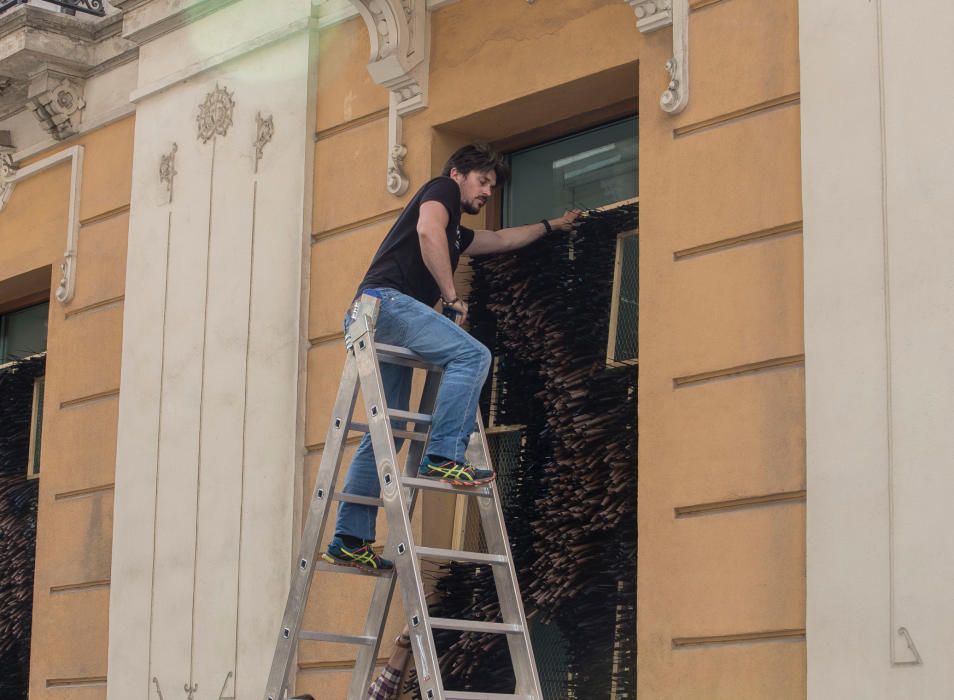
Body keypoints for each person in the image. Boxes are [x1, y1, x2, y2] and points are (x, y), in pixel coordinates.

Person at [322, 143, 580, 572]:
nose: (487, 193)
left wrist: (553, 225)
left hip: (373, 318)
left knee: (391, 430)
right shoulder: (440, 189)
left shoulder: (459, 233)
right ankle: (444, 456)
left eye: (493, 188)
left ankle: (349, 538)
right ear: (459, 173)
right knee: (473, 356)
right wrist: (451, 296)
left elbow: (501, 238)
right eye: (483, 182)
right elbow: (427, 231)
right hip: (386, 305)